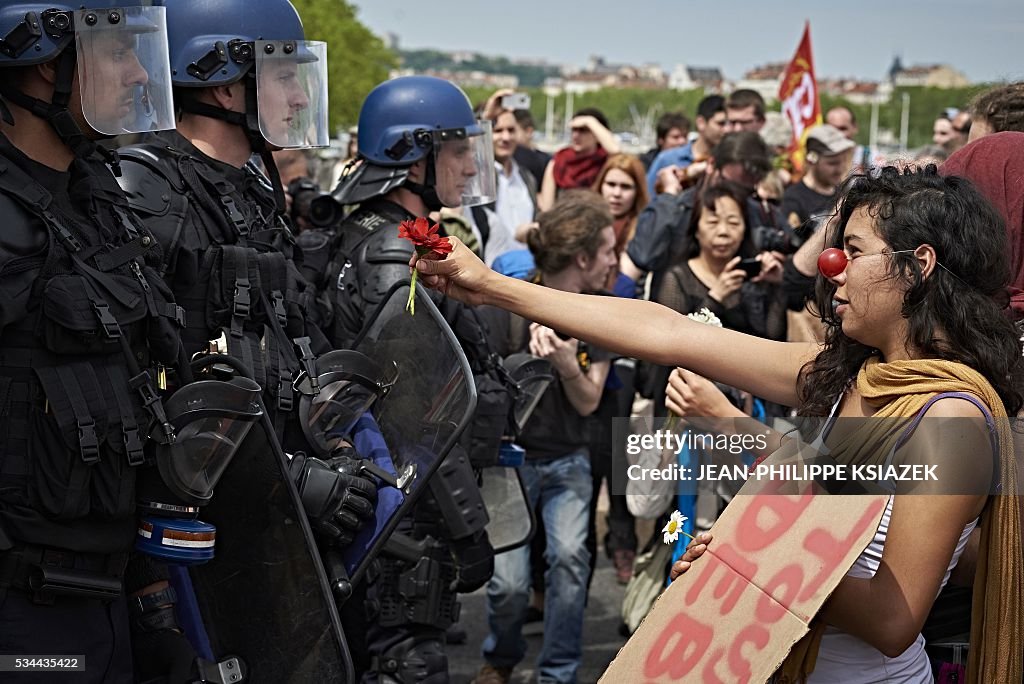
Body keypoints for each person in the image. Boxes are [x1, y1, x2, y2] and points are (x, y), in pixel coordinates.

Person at [413, 166, 1023, 684]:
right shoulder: (851, 375)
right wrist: (493, 287)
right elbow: (671, 332)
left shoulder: (946, 415)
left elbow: (893, 618)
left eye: (855, 251)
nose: (831, 266)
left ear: (918, 266)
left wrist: (750, 559)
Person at [0, 2, 191, 681]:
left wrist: (150, 601)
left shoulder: (98, 201)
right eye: (117, 51)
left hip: (108, 596)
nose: (140, 72)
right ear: (44, 60)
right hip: (23, 615)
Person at [314, 75, 505, 683]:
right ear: (414, 157)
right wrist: (469, 528)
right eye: (456, 149)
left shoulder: (379, 240)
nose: (470, 162)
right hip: (406, 515)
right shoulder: (395, 258)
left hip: (401, 506)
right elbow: (415, 413)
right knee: (407, 663)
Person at [471, 194, 615, 684]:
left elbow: (589, 401)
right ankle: (501, 657)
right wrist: (521, 368)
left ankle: (558, 672)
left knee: (570, 561)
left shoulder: (600, 313)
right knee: (508, 583)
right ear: (581, 258)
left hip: (569, 461)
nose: (616, 261)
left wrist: (563, 364)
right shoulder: (508, 304)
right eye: (608, 251)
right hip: (509, 462)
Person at [538, 107, 619, 211]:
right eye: (574, 130)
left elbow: (615, 150)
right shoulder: (559, 161)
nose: (576, 136)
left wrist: (590, 121)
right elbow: (547, 208)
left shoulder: (605, 162)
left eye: (583, 130)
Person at [645, 94, 727, 196]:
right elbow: (648, 198)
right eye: (721, 124)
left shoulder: (729, 162)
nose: (726, 129)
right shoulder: (667, 159)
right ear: (701, 123)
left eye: (729, 123)